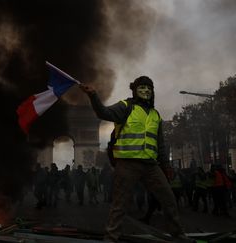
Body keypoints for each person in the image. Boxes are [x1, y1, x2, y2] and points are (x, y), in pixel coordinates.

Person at [80, 76, 192, 242]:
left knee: (169, 198)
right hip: (127, 163)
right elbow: (103, 113)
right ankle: (111, 237)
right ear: (134, 90)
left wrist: (166, 165)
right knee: (120, 204)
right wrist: (93, 96)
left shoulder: (156, 115)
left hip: (151, 165)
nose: (146, 90)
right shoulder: (126, 106)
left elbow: (160, 144)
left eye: (149, 88)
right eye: (142, 87)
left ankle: (178, 234)